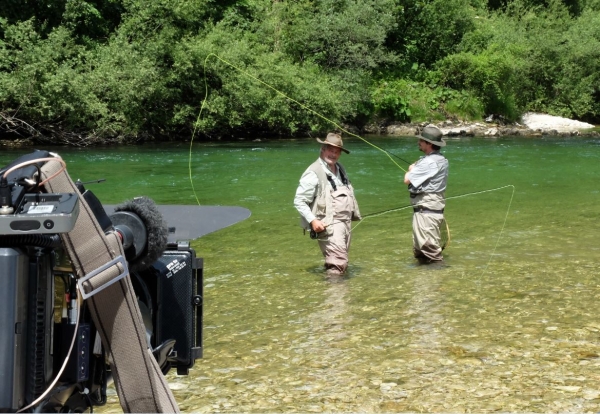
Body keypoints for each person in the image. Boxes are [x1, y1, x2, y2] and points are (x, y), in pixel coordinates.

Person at [294, 132, 362, 279]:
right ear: (323, 149)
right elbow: (299, 200)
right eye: (330, 150)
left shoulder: (340, 168)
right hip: (329, 225)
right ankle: (336, 292)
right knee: (338, 264)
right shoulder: (313, 172)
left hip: (345, 224)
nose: (333, 154)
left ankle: (333, 289)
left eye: (337, 152)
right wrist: (313, 220)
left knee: (339, 261)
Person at [403, 125, 449, 264]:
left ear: (429, 144)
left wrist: (411, 169)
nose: (419, 142)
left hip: (426, 214)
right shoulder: (441, 160)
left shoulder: (428, 162)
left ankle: (439, 276)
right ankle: (425, 277)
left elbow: (407, 180)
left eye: (421, 140)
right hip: (429, 212)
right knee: (422, 254)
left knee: (431, 253)